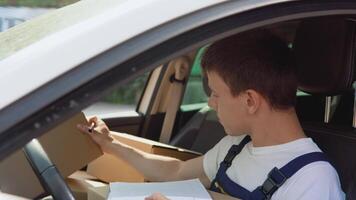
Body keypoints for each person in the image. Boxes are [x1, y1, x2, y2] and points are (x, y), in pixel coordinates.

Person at [77, 30, 344, 200]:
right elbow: (176, 171)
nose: (210, 103)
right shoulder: (235, 147)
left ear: (250, 100)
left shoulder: (313, 181)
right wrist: (110, 144)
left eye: (215, 93)